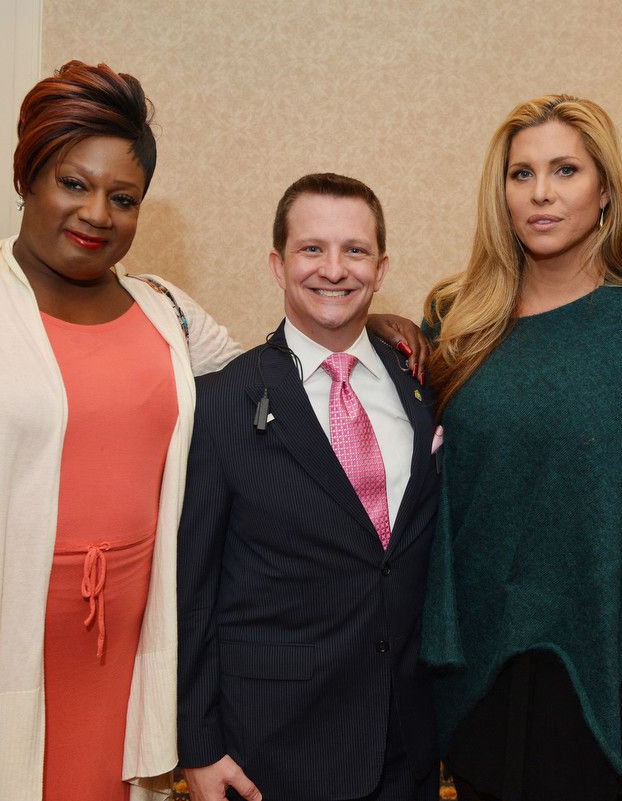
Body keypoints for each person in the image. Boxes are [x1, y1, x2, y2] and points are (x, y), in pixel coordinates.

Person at [0, 64, 425, 801]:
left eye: (123, 198)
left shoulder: (166, 313)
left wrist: (362, 333)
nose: (96, 213)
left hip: (124, 666)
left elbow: (274, 378)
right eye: (72, 184)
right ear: (26, 178)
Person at [419, 95, 622, 801]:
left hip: (605, 654)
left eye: (565, 170)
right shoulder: (455, 319)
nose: (541, 193)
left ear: (605, 189)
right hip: (473, 649)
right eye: (521, 174)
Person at [176, 173, 440, 801]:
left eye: (355, 250)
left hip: (408, 741)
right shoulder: (221, 403)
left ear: (381, 269)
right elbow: (191, 590)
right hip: (275, 749)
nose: (334, 269)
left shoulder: (421, 384)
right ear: (278, 264)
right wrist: (198, 745)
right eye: (312, 249)